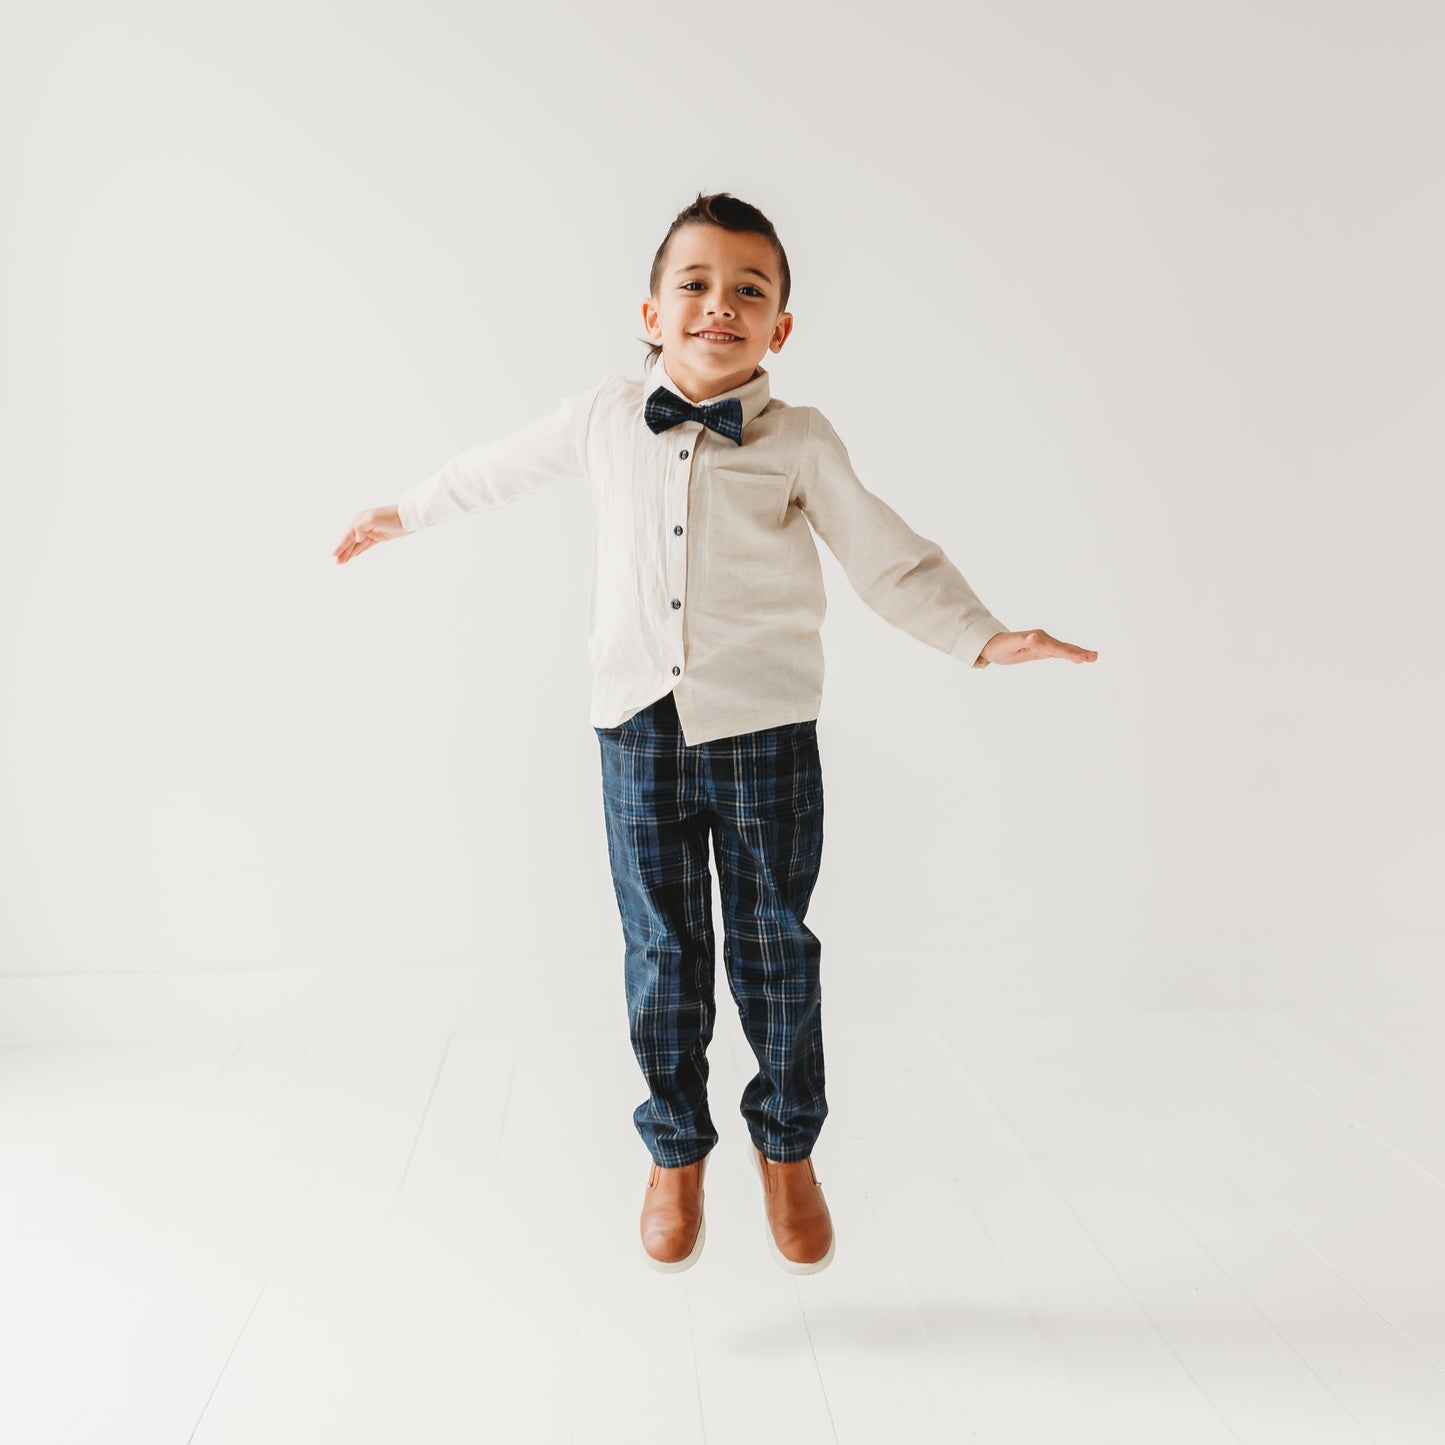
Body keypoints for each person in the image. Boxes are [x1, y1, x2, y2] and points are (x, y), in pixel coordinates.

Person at [333, 190, 1097, 1277]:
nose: (718, 305)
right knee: (661, 950)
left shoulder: (802, 442)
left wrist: (980, 636)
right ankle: (674, 1152)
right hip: (634, 730)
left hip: (765, 733)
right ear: (649, 310)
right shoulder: (604, 415)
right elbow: (495, 465)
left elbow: (886, 554)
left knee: (774, 948)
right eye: (693, 284)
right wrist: (403, 510)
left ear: (780, 327)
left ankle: (786, 1146)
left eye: (749, 290)